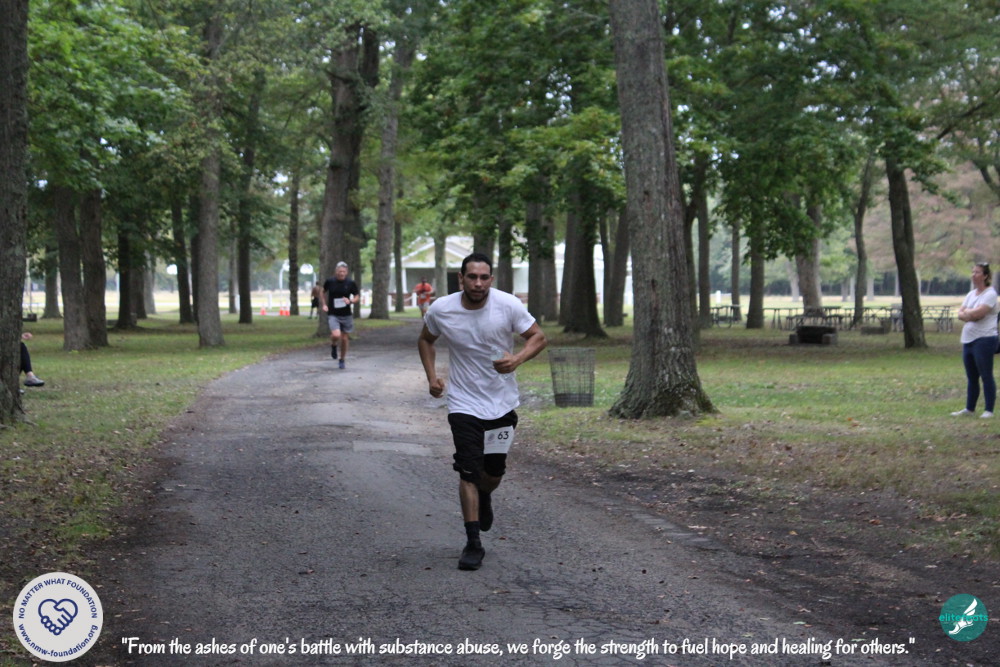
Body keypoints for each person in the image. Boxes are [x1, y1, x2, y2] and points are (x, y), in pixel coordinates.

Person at [418, 253, 547, 570]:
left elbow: (538, 337)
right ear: (460, 278)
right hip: (463, 403)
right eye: (472, 277)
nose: (478, 283)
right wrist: (432, 377)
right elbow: (425, 340)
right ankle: (473, 542)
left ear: (491, 279)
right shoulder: (442, 309)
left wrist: (517, 359)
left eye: (484, 277)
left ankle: (485, 495)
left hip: (502, 402)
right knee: (468, 472)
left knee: (492, 474)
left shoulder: (508, 305)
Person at [953, 262, 999, 418]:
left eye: (977, 272)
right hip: (968, 339)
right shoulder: (971, 294)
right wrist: (968, 314)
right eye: (973, 272)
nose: (974, 275)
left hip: (984, 339)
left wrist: (968, 313)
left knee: (986, 375)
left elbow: (980, 314)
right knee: (972, 377)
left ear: (985, 276)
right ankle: (969, 408)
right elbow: (960, 313)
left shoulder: (990, 294)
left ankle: (988, 410)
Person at [322, 261, 360, 369]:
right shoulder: (330, 281)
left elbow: (357, 296)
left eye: (343, 271)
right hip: (333, 314)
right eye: (339, 271)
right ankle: (334, 345)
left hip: (346, 314)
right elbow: (322, 292)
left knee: (344, 338)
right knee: (336, 335)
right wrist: (324, 304)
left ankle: (342, 359)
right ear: (336, 272)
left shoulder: (350, 283)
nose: (341, 273)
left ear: (346, 272)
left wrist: (351, 301)